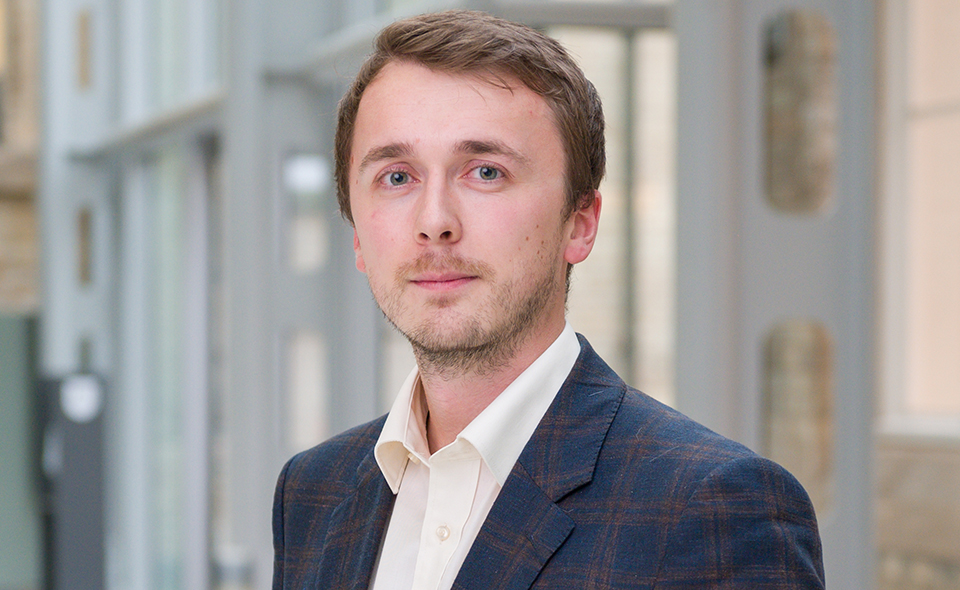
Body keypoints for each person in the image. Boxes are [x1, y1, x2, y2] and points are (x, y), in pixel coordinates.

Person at [272, 10, 825, 590]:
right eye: (396, 177)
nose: (434, 222)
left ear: (580, 224)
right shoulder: (313, 492)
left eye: (485, 171)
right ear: (358, 236)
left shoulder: (712, 507)